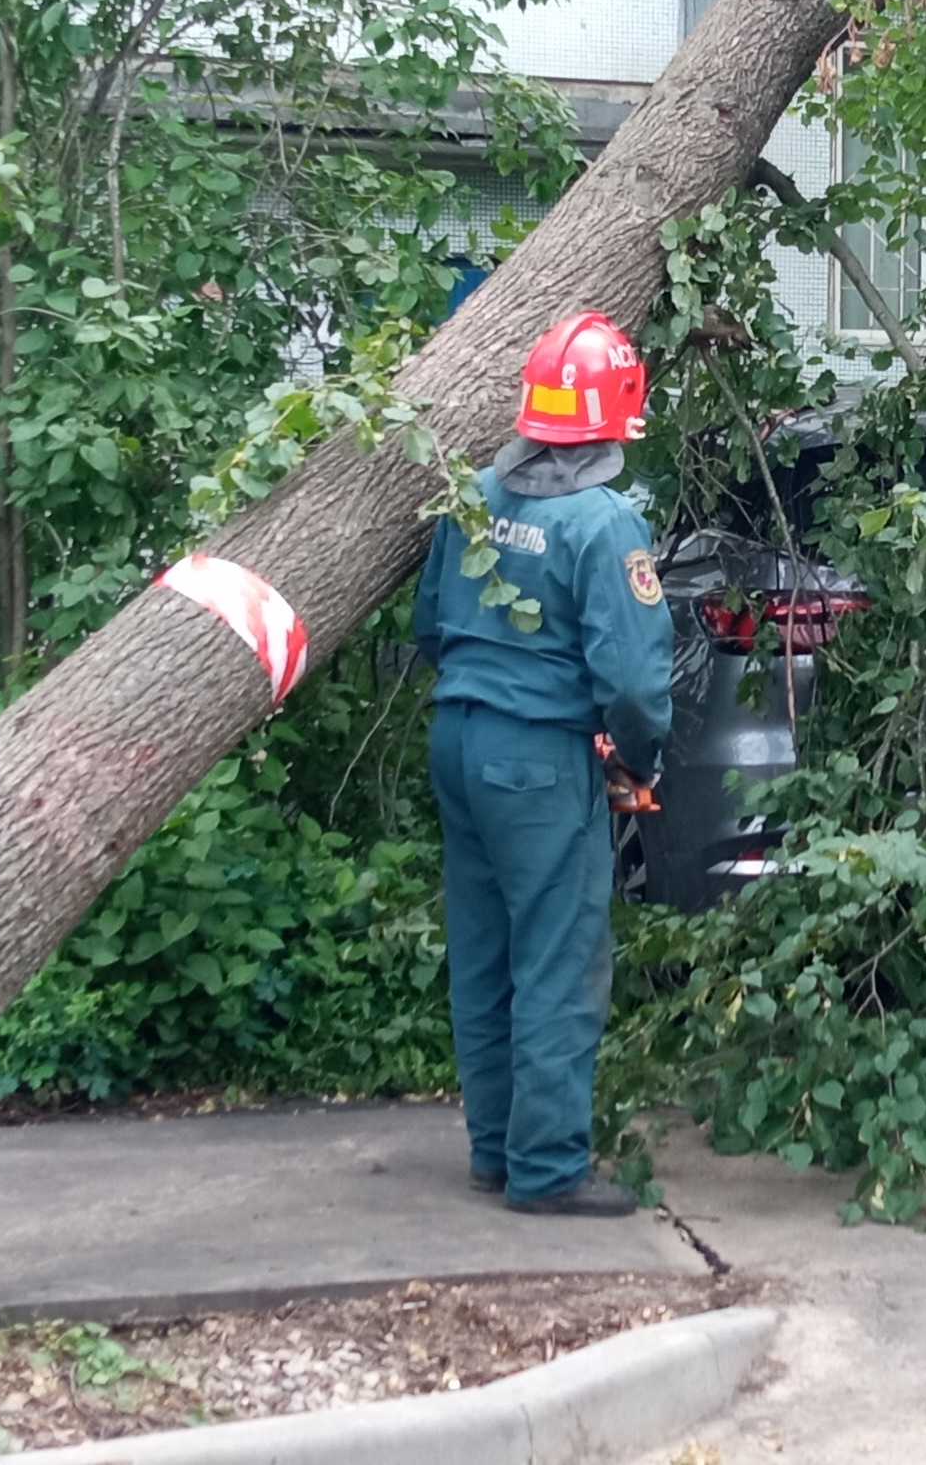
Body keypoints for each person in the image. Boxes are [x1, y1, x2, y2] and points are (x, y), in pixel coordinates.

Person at [412, 310, 672, 1216]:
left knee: (484, 956)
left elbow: (427, 627)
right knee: (559, 963)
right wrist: (634, 763)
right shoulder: (606, 526)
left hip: (460, 742)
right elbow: (635, 683)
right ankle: (549, 1169)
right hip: (539, 761)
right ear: (615, 416)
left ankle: (495, 1152)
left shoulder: (477, 493)